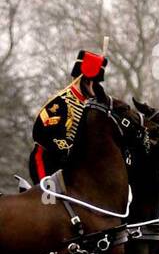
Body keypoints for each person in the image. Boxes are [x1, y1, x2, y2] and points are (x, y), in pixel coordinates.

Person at [30, 49, 109, 182]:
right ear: (85, 80)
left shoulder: (87, 106)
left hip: (69, 167)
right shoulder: (60, 103)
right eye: (94, 82)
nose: (96, 88)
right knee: (51, 201)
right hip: (47, 162)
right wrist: (71, 151)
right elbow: (40, 133)